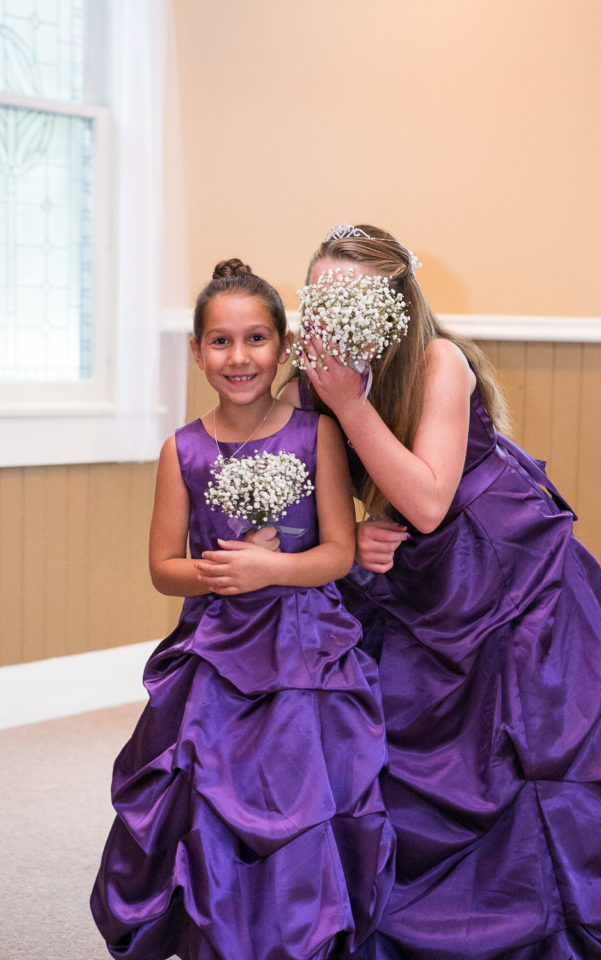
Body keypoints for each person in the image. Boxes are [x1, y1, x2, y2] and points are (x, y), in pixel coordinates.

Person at [280, 224, 601, 960]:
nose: (332, 315)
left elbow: (430, 501)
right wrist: (356, 530)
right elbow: (313, 493)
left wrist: (350, 404)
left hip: (498, 560)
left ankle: (551, 902)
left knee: (526, 731)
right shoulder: (315, 376)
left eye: (350, 299)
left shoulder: (440, 361)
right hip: (411, 568)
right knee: (391, 723)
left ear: (394, 303)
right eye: (319, 298)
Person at [90, 258, 396, 960]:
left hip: (304, 648)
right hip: (217, 648)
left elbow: (339, 554)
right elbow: (164, 570)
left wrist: (274, 567)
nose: (239, 356)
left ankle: (303, 928)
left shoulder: (314, 434)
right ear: (197, 352)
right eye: (221, 342)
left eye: (256, 339)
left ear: (283, 347)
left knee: (304, 788)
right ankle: (215, 926)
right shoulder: (184, 450)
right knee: (206, 789)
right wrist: (222, 572)